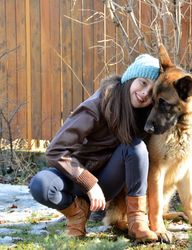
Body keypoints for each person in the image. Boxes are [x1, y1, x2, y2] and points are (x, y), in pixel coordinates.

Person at [29, 54, 160, 242]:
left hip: (107, 182)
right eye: (143, 83)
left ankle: (137, 221)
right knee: (40, 185)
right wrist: (89, 183)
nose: (145, 93)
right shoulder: (97, 105)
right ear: (130, 78)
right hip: (73, 179)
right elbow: (55, 151)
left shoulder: (144, 117)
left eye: (152, 92)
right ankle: (76, 214)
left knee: (136, 148)